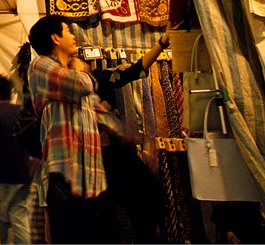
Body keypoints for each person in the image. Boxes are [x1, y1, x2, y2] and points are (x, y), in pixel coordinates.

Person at [88, 29, 172, 243]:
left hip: (118, 157)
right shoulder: (63, 88)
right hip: (95, 163)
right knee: (105, 222)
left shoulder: (101, 78)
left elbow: (138, 70)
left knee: (150, 199)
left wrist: (162, 43)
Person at [27, 15, 105, 244]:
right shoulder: (40, 65)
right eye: (68, 31)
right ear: (55, 38)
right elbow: (82, 85)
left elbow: (97, 106)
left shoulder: (66, 73)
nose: (73, 36)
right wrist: (81, 70)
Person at [0, 75, 35, 244]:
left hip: (0, 175)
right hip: (22, 175)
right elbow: (33, 145)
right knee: (21, 222)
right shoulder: (22, 111)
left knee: (0, 223)